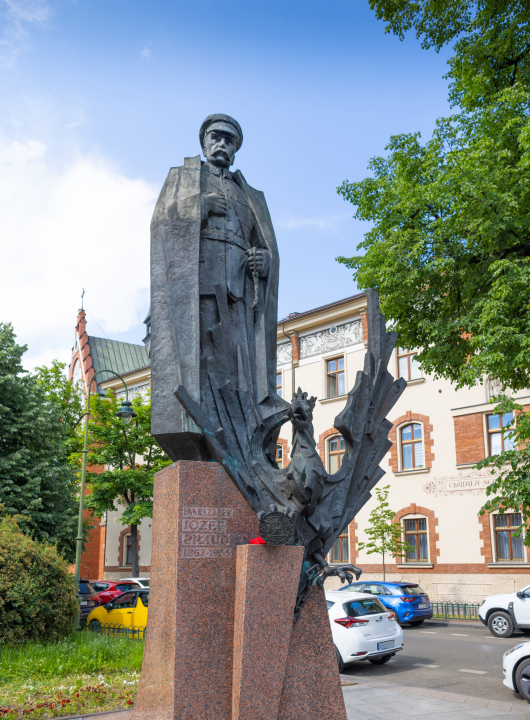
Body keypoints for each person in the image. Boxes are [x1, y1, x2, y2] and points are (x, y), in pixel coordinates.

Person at [151, 114, 288, 462]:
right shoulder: (182, 178)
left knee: (238, 368)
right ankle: (202, 433)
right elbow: (161, 223)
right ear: (204, 141)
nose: (223, 144)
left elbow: (266, 244)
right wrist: (198, 206)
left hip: (240, 292)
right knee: (202, 365)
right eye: (216, 137)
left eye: (230, 140)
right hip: (198, 288)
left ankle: (238, 434)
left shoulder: (250, 194)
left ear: (236, 149)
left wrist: (265, 260)